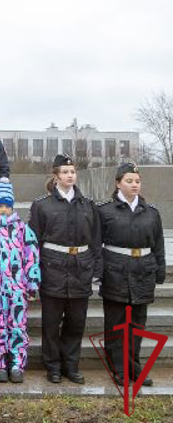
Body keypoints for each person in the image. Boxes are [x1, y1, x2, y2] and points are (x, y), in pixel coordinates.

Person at [28, 154, 101, 385]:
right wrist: (35, 271)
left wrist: (95, 267)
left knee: (76, 321)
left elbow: (96, 240)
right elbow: (34, 241)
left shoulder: (88, 205)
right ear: (56, 176)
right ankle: (53, 367)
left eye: (72, 172)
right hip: (53, 268)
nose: (70, 175)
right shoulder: (42, 205)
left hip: (80, 269)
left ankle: (71, 365)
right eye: (65, 172)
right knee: (51, 322)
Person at [98, 163, 165, 387]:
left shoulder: (151, 213)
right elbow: (96, 244)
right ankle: (118, 370)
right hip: (115, 271)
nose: (134, 185)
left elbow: (158, 245)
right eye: (129, 181)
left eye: (137, 181)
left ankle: (134, 369)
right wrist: (98, 272)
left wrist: (160, 270)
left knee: (137, 324)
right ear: (118, 183)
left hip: (142, 272)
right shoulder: (105, 211)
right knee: (116, 323)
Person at [0, 180, 41, 383]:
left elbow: (31, 257)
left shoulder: (23, 229)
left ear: (12, 206)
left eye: (7, 205)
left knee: (17, 325)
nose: (4, 209)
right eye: (0, 205)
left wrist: (32, 283)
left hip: (17, 287)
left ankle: (16, 363)